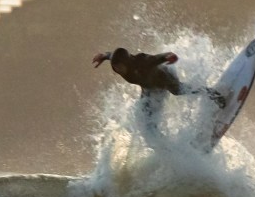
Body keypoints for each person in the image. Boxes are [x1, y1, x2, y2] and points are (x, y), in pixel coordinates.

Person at [92, 47, 226, 139]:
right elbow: (112, 55)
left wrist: (168, 56)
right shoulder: (119, 63)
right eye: (115, 68)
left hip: (164, 78)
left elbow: (157, 58)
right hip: (149, 88)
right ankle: (165, 144)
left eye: (120, 67)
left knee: (178, 91)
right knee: (146, 120)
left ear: (126, 62)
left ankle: (211, 93)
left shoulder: (141, 61)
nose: (118, 70)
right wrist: (103, 57)